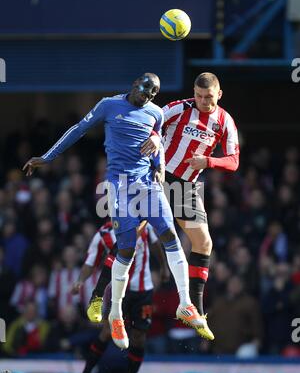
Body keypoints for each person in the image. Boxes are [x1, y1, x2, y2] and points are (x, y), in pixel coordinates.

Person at [23, 72, 206, 351]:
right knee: (126, 248)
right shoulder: (109, 105)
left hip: (148, 185)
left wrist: (158, 164)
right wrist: (47, 157)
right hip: (120, 187)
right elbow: (77, 130)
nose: (148, 96)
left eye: (153, 93)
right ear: (134, 85)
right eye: (145, 90)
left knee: (170, 233)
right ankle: (116, 313)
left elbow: (159, 143)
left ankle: (185, 303)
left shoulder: (155, 113)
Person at [161, 72, 240, 340]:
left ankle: (194, 309)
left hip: (185, 187)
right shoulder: (177, 108)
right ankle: (100, 295)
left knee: (203, 243)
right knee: (131, 237)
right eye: (198, 96)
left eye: (208, 97)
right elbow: (149, 124)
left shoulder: (225, 121)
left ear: (219, 94)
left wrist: (209, 162)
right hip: (159, 179)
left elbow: (233, 161)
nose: (203, 101)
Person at [73, 221, 169, 373]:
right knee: (107, 331)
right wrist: (80, 280)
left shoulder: (144, 226)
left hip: (143, 292)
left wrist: (163, 267)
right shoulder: (104, 233)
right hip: (119, 292)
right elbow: (91, 261)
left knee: (139, 337)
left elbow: (155, 244)